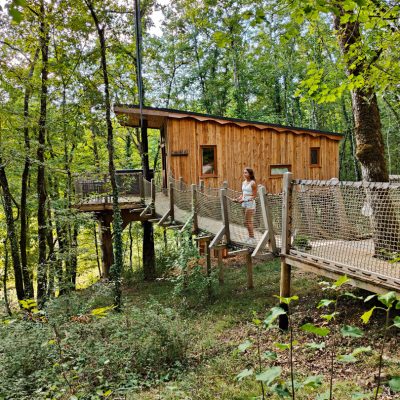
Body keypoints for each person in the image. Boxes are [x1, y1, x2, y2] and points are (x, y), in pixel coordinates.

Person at [236, 168, 257, 245]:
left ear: (250, 174)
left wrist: (245, 200)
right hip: (244, 203)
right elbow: (243, 193)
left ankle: (252, 238)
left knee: (248, 221)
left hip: (250, 203)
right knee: (246, 222)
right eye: (244, 172)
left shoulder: (253, 183)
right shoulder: (243, 182)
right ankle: (250, 236)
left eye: (246, 173)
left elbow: (254, 196)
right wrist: (238, 198)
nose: (244, 174)